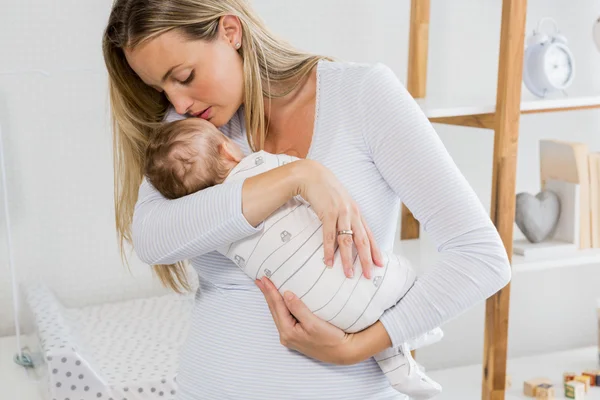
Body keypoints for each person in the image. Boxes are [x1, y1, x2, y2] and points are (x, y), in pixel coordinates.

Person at [102, 0, 512, 399]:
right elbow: (153, 239)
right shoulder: (195, 133)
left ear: (231, 32)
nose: (178, 103)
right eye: (160, 88)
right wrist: (297, 175)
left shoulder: (360, 95)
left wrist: (358, 347)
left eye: (185, 75)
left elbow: (481, 256)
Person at [143, 117, 446, 398]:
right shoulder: (263, 165)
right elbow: (316, 188)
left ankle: (399, 365)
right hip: (363, 282)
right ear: (227, 149)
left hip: (321, 315)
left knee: (359, 311)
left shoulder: (214, 228)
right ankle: (411, 331)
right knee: (402, 272)